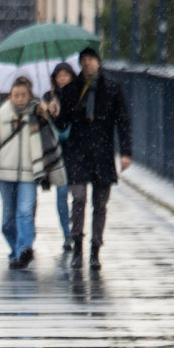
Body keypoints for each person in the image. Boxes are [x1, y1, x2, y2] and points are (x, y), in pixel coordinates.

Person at [49, 47, 132, 270]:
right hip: (78, 152)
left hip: (103, 152)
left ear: (98, 62)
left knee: (100, 204)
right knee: (78, 198)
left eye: (91, 59)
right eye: (83, 60)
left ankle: (95, 248)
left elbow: (123, 121)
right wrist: (55, 112)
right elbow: (63, 124)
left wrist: (125, 152)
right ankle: (77, 245)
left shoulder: (112, 88)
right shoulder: (72, 89)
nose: (87, 64)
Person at [0, 77, 67, 269]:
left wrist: (48, 113)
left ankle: (24, 249)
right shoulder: (0, 117)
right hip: (4, 175)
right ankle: (15, 248)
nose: (19, 99)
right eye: (16, 95)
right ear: (10, 96)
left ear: (29, 96)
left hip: (29, 175)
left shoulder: (37, 115)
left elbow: (50, 140)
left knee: (25, 213)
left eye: (23, 95)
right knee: (8, 220)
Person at [42, 63, 78, 252]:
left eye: (66, 75)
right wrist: (49, 112)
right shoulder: (48, 97)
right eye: (59, 75)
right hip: (56, 153)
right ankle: (67, 233)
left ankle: (76, 226)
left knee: (77, 194)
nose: (62, 79)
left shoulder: (79, 95)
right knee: (62, 193)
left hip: (75, 151)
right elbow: (43, 127)